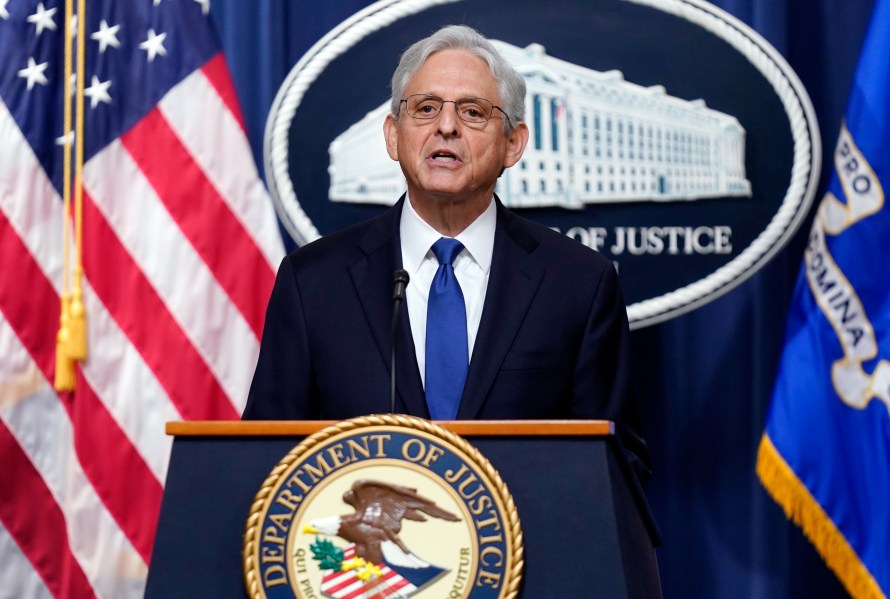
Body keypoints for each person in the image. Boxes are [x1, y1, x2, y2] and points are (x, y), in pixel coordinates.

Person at [243, 25, 649, 477]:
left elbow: (617, 465)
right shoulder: (313, 281)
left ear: (512, 144)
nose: (447, 126)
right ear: (394, 136)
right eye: (426, 108)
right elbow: (266, 458)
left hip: (525, 547)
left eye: (473, 112)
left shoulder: (579, 284)